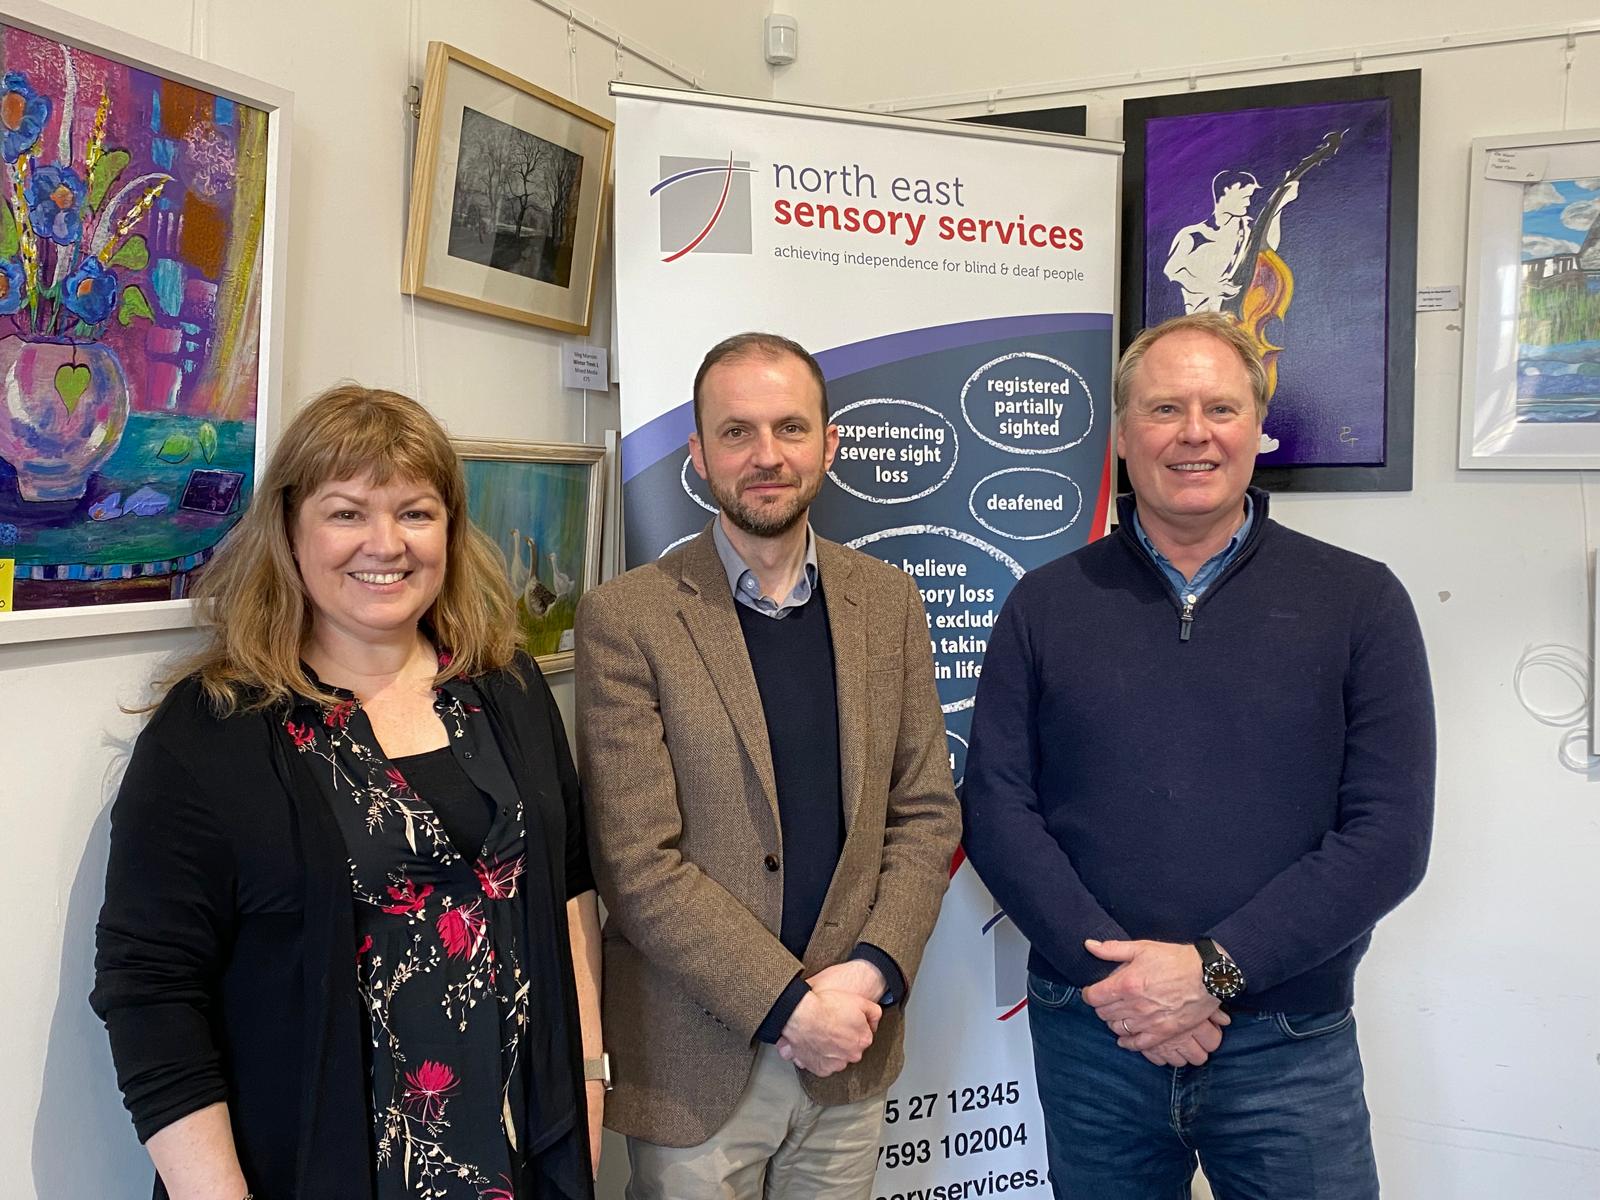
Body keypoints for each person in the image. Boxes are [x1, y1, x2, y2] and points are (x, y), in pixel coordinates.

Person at [961, 312, 1435, 1200]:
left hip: (1288, 1039)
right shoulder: (1045, 603)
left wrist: (1212, 971)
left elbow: (1389, 837)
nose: (1193, 433)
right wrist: (1126, 986)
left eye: (1220, 408)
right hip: (1094, 1033)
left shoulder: (1359, 601)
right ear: (1122, 435)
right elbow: (994, 807)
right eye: (1164, 408)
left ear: (1259, 429)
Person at [91, 385, 605, 1200]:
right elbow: (149, 992)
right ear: (290, 530)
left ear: (451, 530)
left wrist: (589, 1083)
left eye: (415, 512)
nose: (386, 543)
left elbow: (568, 881)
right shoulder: (213, 731)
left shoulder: (504, 685)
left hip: (520, 1162)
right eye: (347, 513)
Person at [574, 333, 961, 1200]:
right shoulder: (627, 619)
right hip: (695, 1067)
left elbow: (925, 812)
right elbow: (637, 864)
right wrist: (791, 1008)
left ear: (828, 444)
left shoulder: (888, 601)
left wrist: (866, 974)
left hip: (849, 1054)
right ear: (699, 456)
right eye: (737, 432)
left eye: (790, 428)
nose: (766, 456)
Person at [1163, 169, 1298, 314]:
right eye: (1243, 197)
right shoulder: (1193, 235)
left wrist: (1278, 206)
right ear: (1227, 191)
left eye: (1249, 197)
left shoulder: (1246, 230)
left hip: (1233, 315)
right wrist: (1213, 288)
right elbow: (1172, 271)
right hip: (1199, 317)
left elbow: (1268, 246)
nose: (1247, 202)